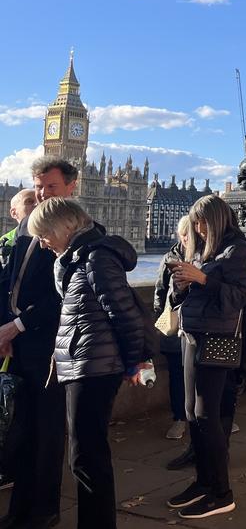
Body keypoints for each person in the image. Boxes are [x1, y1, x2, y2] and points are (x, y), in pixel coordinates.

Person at [27, 198, 151, 529]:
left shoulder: (96, 258)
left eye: (44, 234)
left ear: (64, 227)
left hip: (95, 368)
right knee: (85, 456)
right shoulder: (78, 259)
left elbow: (124, 313)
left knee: (87, 457)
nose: (42, 242)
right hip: (86, 364)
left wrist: (135, 361)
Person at [0, 156, 76, 529]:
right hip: (19, 346)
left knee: (46, 435)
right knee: (21, 430)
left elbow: (62, 299)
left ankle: (44, 510)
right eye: (40, 186)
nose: (43, 194)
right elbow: (8, 284)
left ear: (70, 188)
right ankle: (19, 511)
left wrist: (18, 324)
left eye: (52, 187)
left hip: (49, 348)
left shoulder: (74, 233)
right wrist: (4, 329)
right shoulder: (28, 231)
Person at [166, 195, 246, 520]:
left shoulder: (238, 250)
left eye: (201, 222)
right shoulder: (206, 249)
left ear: (215, 220)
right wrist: (182, 283)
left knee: (207, 415)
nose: (197, 228)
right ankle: (203, 482)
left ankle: (221, 492)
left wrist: (202, 277)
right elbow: (183, 297)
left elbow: (239, 297)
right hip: (191, 334)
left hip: (216, 339)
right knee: (191, 413)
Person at [154, 217, 192, 441]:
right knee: (177, 375)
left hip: (199, 326)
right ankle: (179, 418)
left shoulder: (206, 257)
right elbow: (159, 292)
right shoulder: (169, 258)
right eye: (186, 235)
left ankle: (208, 416)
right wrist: (161, 320)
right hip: (175, 325)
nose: (190, 239)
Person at [0, 190, 36, 271]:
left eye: (40, 201)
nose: (37, 204)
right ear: (13, 213)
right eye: (30, 201)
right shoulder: (4, 241)